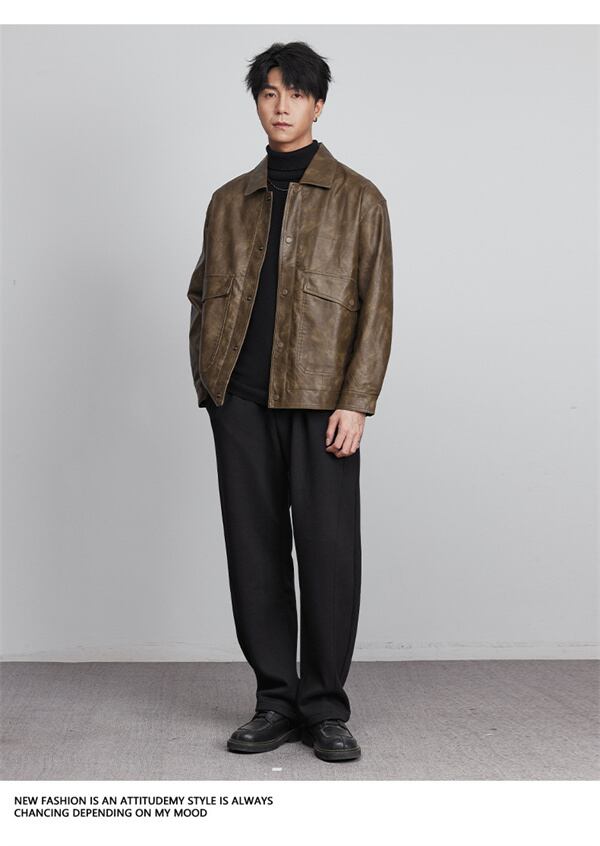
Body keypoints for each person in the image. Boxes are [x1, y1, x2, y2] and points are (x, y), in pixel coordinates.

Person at [187, 41, 393, 763]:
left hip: (322, 400)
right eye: (270, 93)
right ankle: (274, 700)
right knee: (255, 552)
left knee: (330, 553)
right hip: (240, 401)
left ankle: (325, 707)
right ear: (258, 103)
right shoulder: (228, 202)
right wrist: (210, 383)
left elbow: (376, 307)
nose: (281, 107)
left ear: (318, 105)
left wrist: (357, 401)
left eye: (296, 94)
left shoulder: (359, 198)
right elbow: (202, 294)